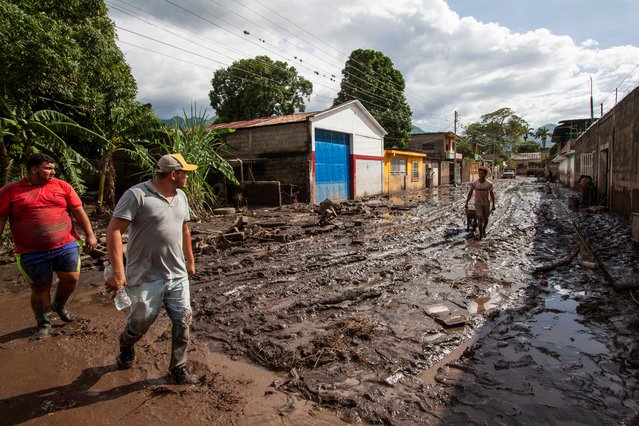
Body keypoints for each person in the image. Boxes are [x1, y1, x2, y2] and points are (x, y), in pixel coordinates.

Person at [105, 153, 198, 385]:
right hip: (145, 274)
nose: (187, 177)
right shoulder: (137, 195)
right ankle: (126, 344)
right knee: (141, 322)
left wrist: (190, 260)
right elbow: (114, 230)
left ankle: (179, 367)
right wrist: (118, 272)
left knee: (183, 319)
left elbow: (185, 229)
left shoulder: (182, 196)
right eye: (185, 172)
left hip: (176, 274)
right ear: (173, 174)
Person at [0, 153, 97, 339]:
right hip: (30, 251)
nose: (53, 172)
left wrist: (90, 235)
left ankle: (59, 305)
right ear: (34, 169)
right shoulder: (10, 191)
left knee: (71, 279)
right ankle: (44, 323)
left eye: (53, 168)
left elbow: (78, 211)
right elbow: (1, 218)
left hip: (65, 244)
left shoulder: (62, 186)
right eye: (48, 168)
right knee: (40, 287)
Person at [464, 167, 495, 239]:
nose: (480, 175)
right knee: (479, 218)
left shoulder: (489, 184)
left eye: (482, 173)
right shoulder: (474, 183)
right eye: (479, 173)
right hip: (478, 204)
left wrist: (493, 205)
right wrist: (466, 203)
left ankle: (484, 229)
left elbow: (492, 194)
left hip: (486, 203)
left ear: (485, 174)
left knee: (486, 219)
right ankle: (481, 234)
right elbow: (470, 193)